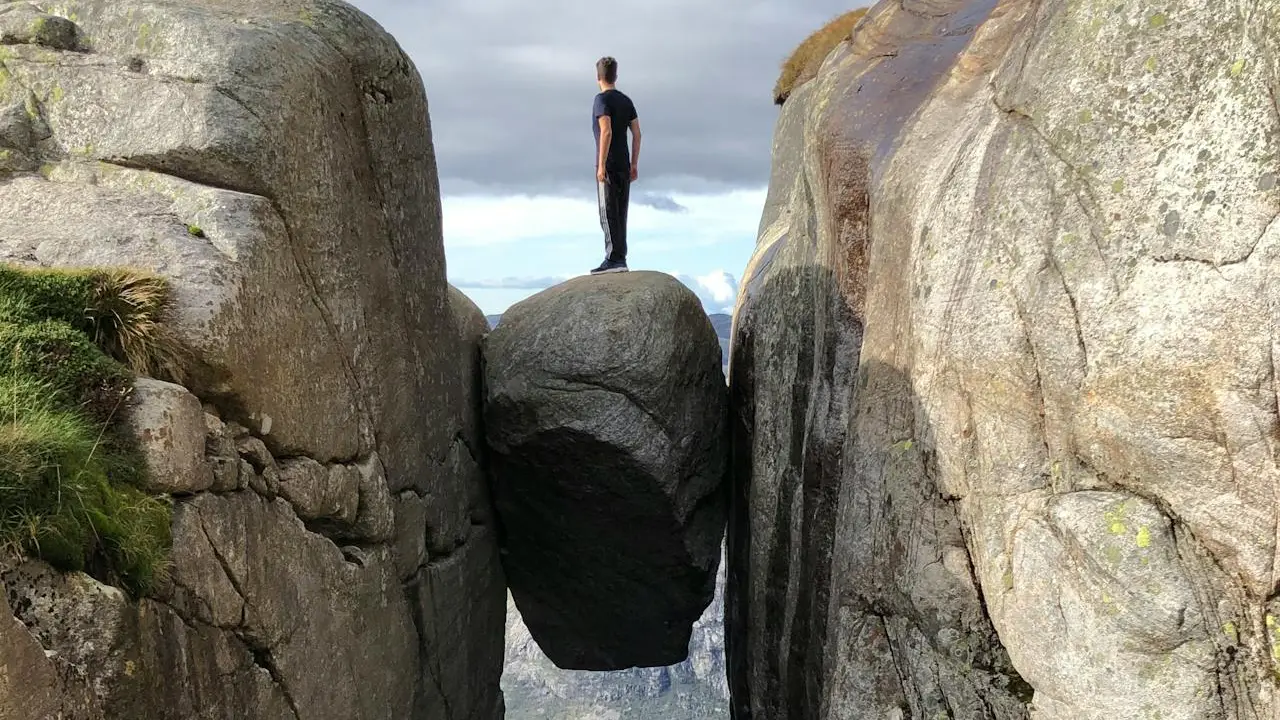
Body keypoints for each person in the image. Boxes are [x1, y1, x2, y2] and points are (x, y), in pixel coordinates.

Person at [590, 56, 640, 274]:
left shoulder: (601, 100)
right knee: (621, 212)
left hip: (609, 165)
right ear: (615, 76)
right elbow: (637, 134)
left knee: (608, 211)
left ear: (598, 77)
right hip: (624, 164)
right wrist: (634, 163)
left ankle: (613, 258)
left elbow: (606, 130)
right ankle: (621, 257)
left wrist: (601, 165)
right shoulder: (626, 101)